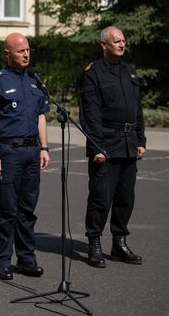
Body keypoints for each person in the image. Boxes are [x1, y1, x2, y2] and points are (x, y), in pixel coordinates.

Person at [0, 32, 50, 281]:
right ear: (7, 53)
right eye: (20, 50)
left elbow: (41, 115)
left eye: (28, 50)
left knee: (27, 209)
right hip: (9, 152)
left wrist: (44, 147)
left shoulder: (35, 80)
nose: (26, 54)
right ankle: (1, 260)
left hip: (33, 151)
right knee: (8, 209)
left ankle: (26, 258)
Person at [79, 26, 146, 268]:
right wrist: (97, 146)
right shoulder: (93, 73)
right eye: (116, 41)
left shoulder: (129, 72)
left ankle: (119, 243)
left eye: (123, 41)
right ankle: (94, 243)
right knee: (100, 198)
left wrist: (141, 140)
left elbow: (137, 109)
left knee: (125, 198)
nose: (121, 45)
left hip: (128, 145)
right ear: (104, 45)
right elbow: (90, 113)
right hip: (106, 146)